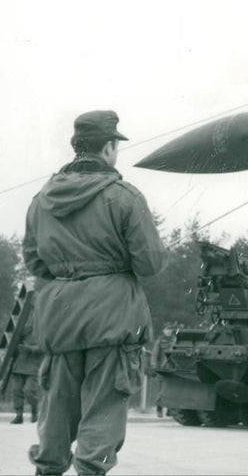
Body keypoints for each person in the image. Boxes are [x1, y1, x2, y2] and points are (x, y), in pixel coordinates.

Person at [22, 110, 168, 475]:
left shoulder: (42, 199)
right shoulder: (125, 197)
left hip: (59, 317)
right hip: (113, 317)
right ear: (108, 148)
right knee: (103, 411)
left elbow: (34, 261)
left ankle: (48, 469)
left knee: (55, 407)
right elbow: (150, 264)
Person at [9, 312, 42, 424]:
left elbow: (45, 347)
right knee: (16, 391)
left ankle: (34, 412)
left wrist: (30, 349)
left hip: (33, 367)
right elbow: (12, 346)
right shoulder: (23, 331)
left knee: (29, 391)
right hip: (18, 365)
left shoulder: (43, 332)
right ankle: (19, 415)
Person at [149, 322, 176, 417]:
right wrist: (154, 366)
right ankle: (159, 410)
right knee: (160, 391)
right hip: (161, 369)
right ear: (163, 331)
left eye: (170, 329)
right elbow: (154, 354)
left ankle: (170, 411)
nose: (168, 331)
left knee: (172, 390)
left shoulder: (175, 340)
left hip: (173, 369)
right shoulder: (160, 341)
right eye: (167, 329)